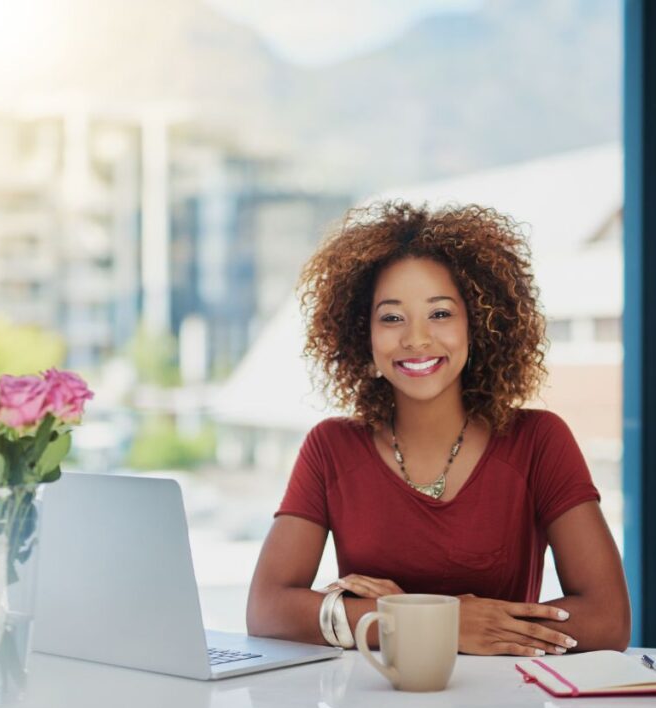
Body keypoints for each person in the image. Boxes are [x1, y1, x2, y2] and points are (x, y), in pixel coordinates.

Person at [246, 201, 630, 656]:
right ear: (361, 334)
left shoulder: (538, 441)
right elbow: (267, 610)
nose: (416, 338)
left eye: (441, 313)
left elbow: (607, 620)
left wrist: (397, 615)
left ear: (479, 324)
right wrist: (430, 621)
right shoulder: (331, 448)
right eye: (391, 317)